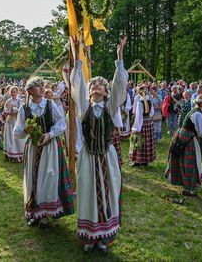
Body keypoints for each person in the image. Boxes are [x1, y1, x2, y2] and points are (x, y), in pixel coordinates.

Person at [70, 36, 128, 252]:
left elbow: (120, 85)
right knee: (87, 191)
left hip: (106, 155)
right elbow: (76, 85)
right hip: (88, 156)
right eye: (93, 84)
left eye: (101, 85)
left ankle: (104, 237)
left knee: (107, 190)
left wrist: (119, 58)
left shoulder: (110, 108)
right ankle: (90, 236)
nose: (96, 86)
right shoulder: (84, 109)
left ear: (106, 91)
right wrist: (77, 57)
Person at [14, 76, 74, 229]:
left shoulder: (49, 104)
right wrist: (25, 130)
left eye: (42, 85)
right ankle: (34, 212)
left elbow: (61, 123)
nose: (42, 88)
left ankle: (45, 215)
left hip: (50, 148)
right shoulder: (24, 108)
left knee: (49, 177)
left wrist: (49, 134)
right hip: (33, 148)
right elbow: (17, 131)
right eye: (37, 86)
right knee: (33, 178)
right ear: (29, 91)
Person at [166, 95, 202, 196]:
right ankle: (189, 188)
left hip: (185, 136)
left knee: (186, 160)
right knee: (190, 161)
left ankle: (189, 185)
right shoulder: (197, 114)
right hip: (188, 138)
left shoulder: (197, 111)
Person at [129, 85, 155, 166]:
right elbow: (152, 112)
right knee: (147, 141)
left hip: (141, 123)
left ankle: (137, 161)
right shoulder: (149, 100)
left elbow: (138, 116)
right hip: (149, 122)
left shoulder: (140, 102)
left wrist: (136, 128)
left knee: (138, 141)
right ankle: (145, 161)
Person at [3, 86, 26, 162]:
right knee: (10, 138)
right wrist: (10, 110)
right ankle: (10, 155)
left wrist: (15, 110)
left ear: (17, 92)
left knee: (19, 138)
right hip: (10, 121)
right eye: (12, 92)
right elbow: (5, 111)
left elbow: (22, 110)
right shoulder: (8, 101)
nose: (13, 93)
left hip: (18, 121)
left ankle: (20, 155)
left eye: (15, 92)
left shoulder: (20, 100)